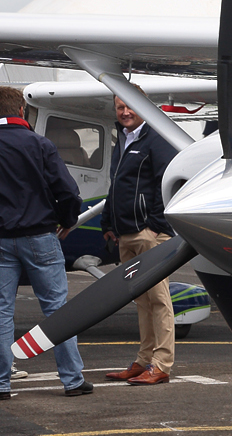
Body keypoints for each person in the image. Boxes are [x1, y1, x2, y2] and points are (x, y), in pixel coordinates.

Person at [0, 85, 91, 399]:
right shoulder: (40, 145)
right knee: (56, 310)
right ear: (21, 111)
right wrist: (67, 221)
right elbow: (67, 192)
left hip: (1, 241)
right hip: (40, 236)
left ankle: (1, 383)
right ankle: (72, 380)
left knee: (1, 311)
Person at [102, 95, 179, 386]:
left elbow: (165, 182)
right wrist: (107, 223)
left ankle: (161, 364)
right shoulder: (121, 141)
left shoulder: (155, 141)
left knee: (159, 299)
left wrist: (155, 226)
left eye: (129, 106)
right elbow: (115, 186)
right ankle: (144, 359)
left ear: (143, 107)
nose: (124, 112)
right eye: (119, 107)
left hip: (148, 234)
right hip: (125, 234)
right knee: (141, 301)